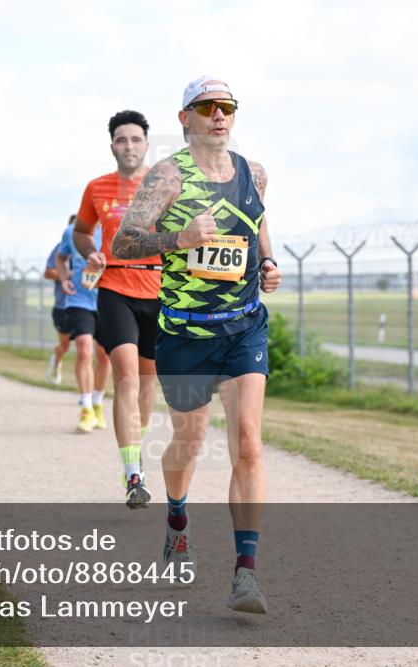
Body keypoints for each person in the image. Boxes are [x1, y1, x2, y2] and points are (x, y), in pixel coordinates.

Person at [111, 76, 283, 614]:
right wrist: (178, 240)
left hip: (244, 327)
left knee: (249, 443)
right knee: (188, 442)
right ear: (184, 117)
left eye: (227, 107)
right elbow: (124, 242)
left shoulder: (254, 172)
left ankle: (245, 575)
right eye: (207, 107)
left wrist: (270, 261)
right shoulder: (167, 176)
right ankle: (177, 519)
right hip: (186, 334)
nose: (219, 116)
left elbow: (257, 225)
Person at [72, 109, 159, 508]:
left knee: (147, 383)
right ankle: (132, 473)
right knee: (125, 377)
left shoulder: (165, 188)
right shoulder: (97, 188)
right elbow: (81, 232)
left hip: (158, 292)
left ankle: (135, 448)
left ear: (146, 143)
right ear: (112, 146)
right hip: (115, 288)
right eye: (121, 140)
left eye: (136, 139)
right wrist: (90, 253)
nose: (129, 146)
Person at [57, 216, 112, 433]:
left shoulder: (113, 229)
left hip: (107, 299)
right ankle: (86, 407)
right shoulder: (71, 231)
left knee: (104, 355)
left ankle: (98, 401)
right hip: (78, 300)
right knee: (83, 350)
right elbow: (61, 259)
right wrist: (63, 279)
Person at [44, 216, 75, 385]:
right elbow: (48, 272)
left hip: (90, 305)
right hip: (64, 305)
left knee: (89, 349)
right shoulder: (61, 249)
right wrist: (69, 274)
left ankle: (87, 395)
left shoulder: (94, 248)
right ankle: (56, 360)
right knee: (65, 346)